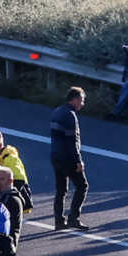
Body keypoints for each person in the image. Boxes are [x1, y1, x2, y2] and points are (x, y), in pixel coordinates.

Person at [47, 89, 90, 232]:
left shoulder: (57, 111)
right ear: (74, 99)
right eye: (81, 100)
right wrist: (78, 161)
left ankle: (59, 221)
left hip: (55, 156)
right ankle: (73, 218)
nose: (82, 104)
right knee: (82, 186)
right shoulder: (71, 116)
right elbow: (72, 141)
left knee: (61, 190)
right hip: (68, 159)